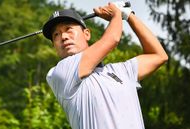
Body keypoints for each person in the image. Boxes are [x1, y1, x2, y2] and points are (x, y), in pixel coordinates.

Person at [42, 1, 168, 129]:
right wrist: (116, 15)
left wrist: (129, 15)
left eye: (68, 29)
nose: (63, 36)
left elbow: (159, 56)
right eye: (56, 34)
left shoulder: (121, 71)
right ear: (54, 45)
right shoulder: (59, 73)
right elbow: (112, 39)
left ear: (87, 34)